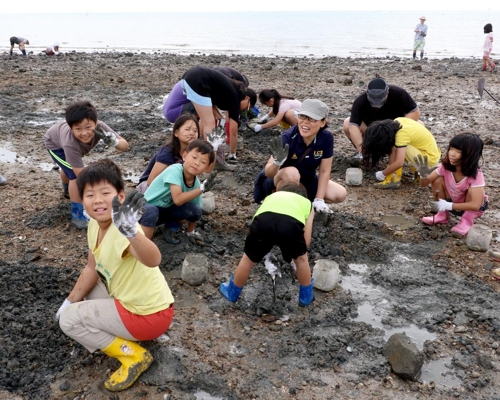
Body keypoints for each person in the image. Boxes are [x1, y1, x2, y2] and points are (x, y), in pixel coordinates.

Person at [55, 159, 174, 392]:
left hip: (151, 316)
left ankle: (134, 355)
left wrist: (131, 232)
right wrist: (68, 301)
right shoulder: (94, 225)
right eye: (90, 195)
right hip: (135, 303)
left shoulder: (125, 230)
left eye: (105, 193)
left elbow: (153, 260)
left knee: (70, 321)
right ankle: (124, 332)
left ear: (120, 197)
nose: (97, 200)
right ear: (81, 200)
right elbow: (91, 268)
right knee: (84, 295)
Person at [220, 183, 315, 306]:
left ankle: (232, 293)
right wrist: (300, 252)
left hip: (263, 222)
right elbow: (306, 239)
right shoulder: (307, 203)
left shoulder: (272, 197)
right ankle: (305, 297)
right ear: (304, 196)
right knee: (302, 260)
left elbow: (259, 217)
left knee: (248, 259)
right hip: (290, 225)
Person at [44, 101, 130, 229]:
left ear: (96, 123)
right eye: (78, 128)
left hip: (71, 147)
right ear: (71, 128)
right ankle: (78, 214)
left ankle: (67, 191)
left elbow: (125, 146)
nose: (84, 133)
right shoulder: (70, 143)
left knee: (69, 168)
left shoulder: (101, 127)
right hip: (55, 145)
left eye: (88, 127)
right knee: (74, 175)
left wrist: (115, 141)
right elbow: (80, 175)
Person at [253, 99, 347, 213]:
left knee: (340, 193)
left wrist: (319, 199)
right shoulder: (287, 138)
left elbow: (324, 171)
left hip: (306, 179)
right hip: (279, 180)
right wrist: (277, 163)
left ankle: (306, 201)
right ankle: (284, 208)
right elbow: (268, 173)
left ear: (322, 122)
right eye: (302, 117)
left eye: (312, 119)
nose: (305, 122)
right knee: (292, 173)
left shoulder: (326, 138)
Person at [162, 66, 254, 165]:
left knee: (206, 118)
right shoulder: (235, 98)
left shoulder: (227, 88)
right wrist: (232, 154)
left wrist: (220, 119)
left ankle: (203, 141)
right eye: (248, 107)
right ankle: (212, 158)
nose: (244, 109)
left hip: (188, 77)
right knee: (209, 123)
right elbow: (233, 131)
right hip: (197, 81)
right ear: (246, 98)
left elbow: (211, 106)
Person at [140, 139, 217, 245]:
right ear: (185, 156)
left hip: (165, 211)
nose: (197, 163)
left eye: (203, 162)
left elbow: (196, 210)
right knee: (151, 213)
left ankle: (170, 227)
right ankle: (143, 243)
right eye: (194, 157)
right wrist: (201, 190)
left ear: (206, 168)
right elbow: (177, 200)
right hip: (145, 208)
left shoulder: (197, 184)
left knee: (194, 210)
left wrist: (190, 232)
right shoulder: (175, 170)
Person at [413, 133, 488, 236]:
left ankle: (467, 220)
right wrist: (423, 175)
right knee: (437, 179)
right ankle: (442, 215)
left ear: (471, 155)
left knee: (472, 190)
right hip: (450, 203)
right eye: (451, 149)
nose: (452, 154)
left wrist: (447, 205)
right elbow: (424, 184)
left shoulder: (476, 175)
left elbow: (476, 205)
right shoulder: (445, 167)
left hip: (471, 208)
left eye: (458, 151)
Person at [342, 78, 421, 158]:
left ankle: (405, 154)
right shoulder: (360, 101)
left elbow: (415, 112)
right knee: (347, 123)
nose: (378, 106)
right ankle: (367, 153)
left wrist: (393, 129)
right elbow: (353, 126)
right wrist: (362, 149)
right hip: (371, 131)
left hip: (395, 128)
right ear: (367, 94)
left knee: (420, 125)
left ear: (387, 92)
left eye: (381, 101)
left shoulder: (398, 93)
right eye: (373, 101)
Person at [362, 118, 441, 189]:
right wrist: (389, 171)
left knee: (397, 146)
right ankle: (395, 176)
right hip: (427, 153)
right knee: (395, 145)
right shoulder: (397, 122)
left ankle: (394, 180)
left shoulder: (401, 135)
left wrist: (383, 173)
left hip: (428, 160)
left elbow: (399, 162)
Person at [136, 114, 201, 194]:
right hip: (147, 189)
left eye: (195, 131)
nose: (192, 133)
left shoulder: (193, 153)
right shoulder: (168, 152)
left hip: (172, 186)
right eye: (187, 129)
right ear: (176, 133)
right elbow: (151, 181)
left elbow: (207, 168)